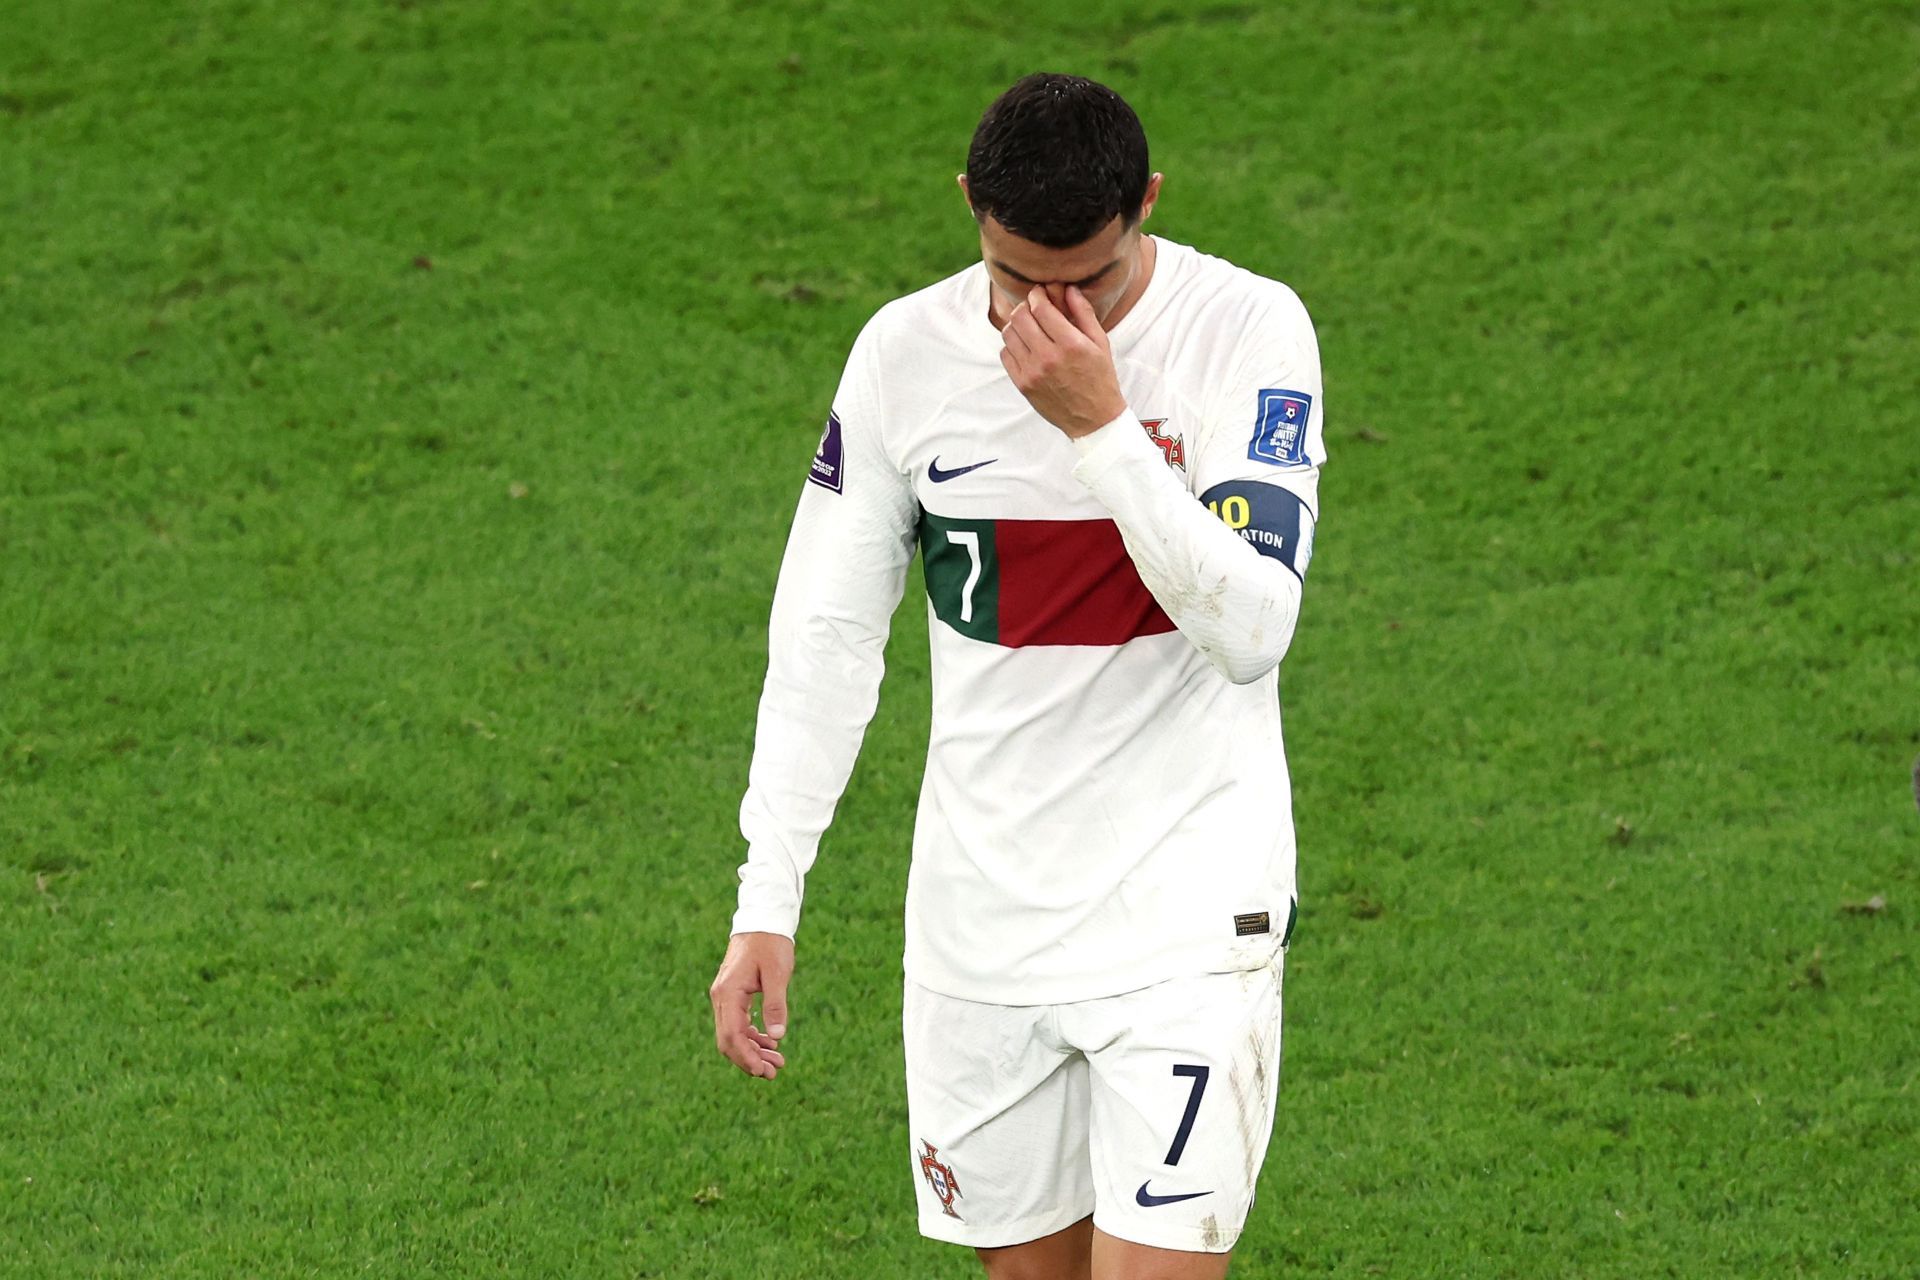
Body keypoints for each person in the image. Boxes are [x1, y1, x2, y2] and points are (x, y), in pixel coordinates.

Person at [708, 71, 1325, 1280]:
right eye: (1013, 283)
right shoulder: (902, 356)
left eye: (1087, 283)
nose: (1046, 323)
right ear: (967, 209)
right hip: (981, 939)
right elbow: (825, 638)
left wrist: (1099, 428)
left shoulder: (1245, 331)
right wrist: (765, 892)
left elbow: (1253, 628)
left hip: (1187, 926)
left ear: (1147, 204)